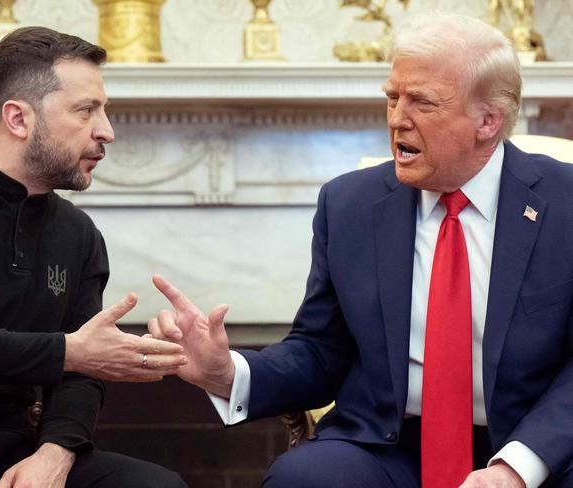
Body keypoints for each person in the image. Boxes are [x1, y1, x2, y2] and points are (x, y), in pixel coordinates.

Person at [148, 12, 573, 488]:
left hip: (536, 444)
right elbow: (320, 350)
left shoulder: (565, 204)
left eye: (421, 102)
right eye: (392, 98)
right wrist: (227, 372)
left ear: (488, 121)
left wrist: (517, 467)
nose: (397, 119)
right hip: (389, 445)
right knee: (303, 480)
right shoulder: (349, 204)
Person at [0, 27, 188, 488]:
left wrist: (56, 452)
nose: (107, 131)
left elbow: (86, 371)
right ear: (18, 118)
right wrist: (68, 351)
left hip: (17, 446)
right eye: (86, 110)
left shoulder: (78, 232)